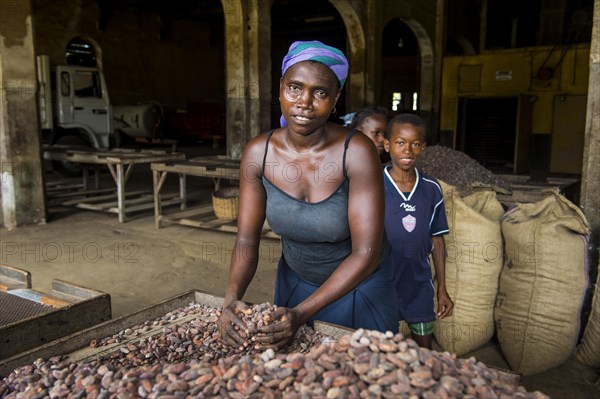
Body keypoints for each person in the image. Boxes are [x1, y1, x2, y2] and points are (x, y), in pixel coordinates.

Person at [217, 40, 398, 351]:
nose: (305, 102)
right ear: (280, 88)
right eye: (295, 87)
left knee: (358, 376)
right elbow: (247, 240)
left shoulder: (356, 152)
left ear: (336, 98)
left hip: (359, 287)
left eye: (321, 93)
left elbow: (366, 254)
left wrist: (301, 313)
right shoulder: (258, 152)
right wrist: (231, 298)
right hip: (295, 283)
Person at [382, 113, 454, 349]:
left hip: (419, 284)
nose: (407, 150)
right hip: (382, 281)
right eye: (400, 142)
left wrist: (442, 289)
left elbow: (438, 240)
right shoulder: (374, 182)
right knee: (382, 350)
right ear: (386, 144)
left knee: (424, 350)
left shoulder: (431, 188)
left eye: (415, 144)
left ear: (423, 148)